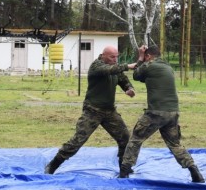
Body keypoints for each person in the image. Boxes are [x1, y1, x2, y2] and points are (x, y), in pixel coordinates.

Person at [45, 46, 138, 174]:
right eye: (112, 57)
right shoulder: (96, 66)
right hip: (92, 111)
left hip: (110, 111)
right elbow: (109, 70)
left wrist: (129, 88)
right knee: (77, 141)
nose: (115, 59)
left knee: (125, 138)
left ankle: (124, 168)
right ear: (103, 55)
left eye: (117, 56)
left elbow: (122, 79)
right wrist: (128, 66)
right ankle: (52, 165)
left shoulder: (114, 67)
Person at [119, 45, 205, 183]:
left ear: (148, 56)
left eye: (146, 57)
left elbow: (136, 75)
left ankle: (124, 171)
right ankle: (193, 170)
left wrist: (140, 58)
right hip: (173, 112)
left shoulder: (150, 66)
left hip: (156, 112)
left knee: (135, 139)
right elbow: (142, 77)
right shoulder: (167, 67)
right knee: (175, 144)